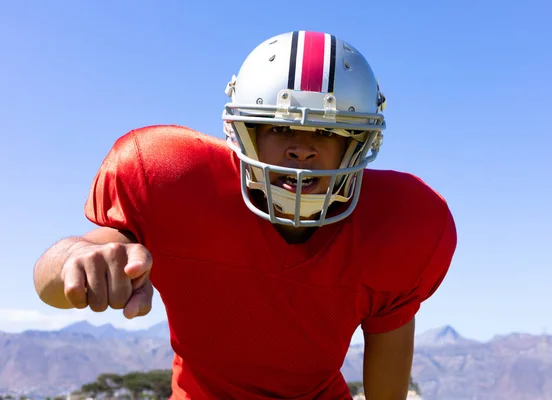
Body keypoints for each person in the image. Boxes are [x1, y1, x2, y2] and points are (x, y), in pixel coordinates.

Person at [34, 30, 457, 400]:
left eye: (327, 131)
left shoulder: (403, 223)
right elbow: (56, 277)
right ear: (243, 132)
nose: (302, 148)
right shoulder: (170, 177)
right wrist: (76, 260)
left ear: (359, 144)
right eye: (278, 127)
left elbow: (387, 383)